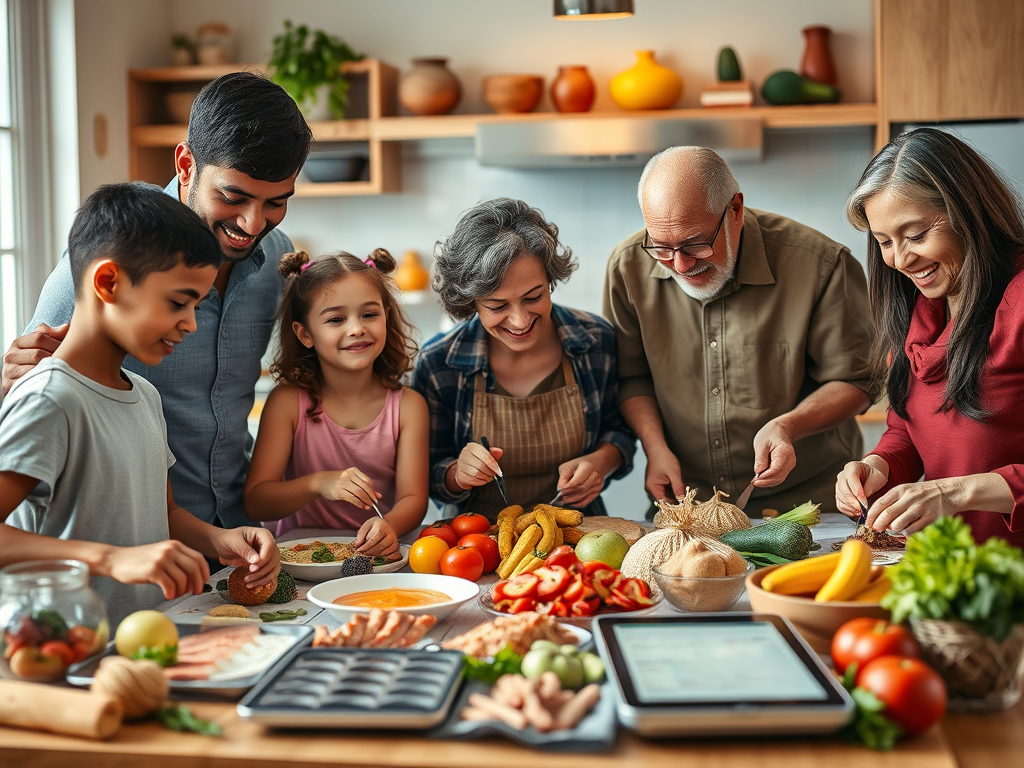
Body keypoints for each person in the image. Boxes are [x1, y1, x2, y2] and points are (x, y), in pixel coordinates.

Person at [1, 72, 312, 530]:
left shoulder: (275, 259)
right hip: (127, 545)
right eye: (233, 196)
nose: (251, 223)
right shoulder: (117, 258)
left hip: (227, 537)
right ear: (186, 164)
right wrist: (9, 383)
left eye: (275, 202)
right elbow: (34, 397)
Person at [0, 183, 279, 624]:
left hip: (144, 641)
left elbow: (163, 513)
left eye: (197, 305)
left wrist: (218, 539)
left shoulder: (145, 395)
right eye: (177, 303)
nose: (190, 323)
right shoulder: (49, 398)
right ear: (108, 283)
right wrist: (110, 559)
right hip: (67, 655)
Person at [604, 146, 876, 515]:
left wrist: (788, 426)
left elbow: (858, 381)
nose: (680, 265)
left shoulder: (821, 265)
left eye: (696, 244)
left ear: (735, 210)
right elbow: (631, 377)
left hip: (810, 503)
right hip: (689, 505)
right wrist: (655, 448)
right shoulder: (627, 267)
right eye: (662, 247)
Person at [835, 128, 1024, 544]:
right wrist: (879, 465)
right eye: (885, 241)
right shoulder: (918, 309)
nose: (900, 260)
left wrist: (952, 491)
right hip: (950, 572)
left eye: (917, 235)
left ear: (968, 214)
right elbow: (908, 428)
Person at [412, 198, 635, 520]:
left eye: (534, 297)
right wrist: (458, 473)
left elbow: (620, 431)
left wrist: (601, 463)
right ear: (470, 302)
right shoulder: (439, 363)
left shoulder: (595, 341)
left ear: (550, 282)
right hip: (476, 545)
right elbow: (427, 473)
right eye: (497, 306)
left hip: (581, 535)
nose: (519, 320)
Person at [244, 250, 429, 555]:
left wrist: (390, 526)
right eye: (336, 319)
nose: (356, 328)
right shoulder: (287, 402)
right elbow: (256, 502)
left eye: (370, 314)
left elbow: (413, 498)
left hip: (378, 559)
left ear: (386, 316)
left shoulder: (409, 406)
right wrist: (320, 483)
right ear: (305, 334)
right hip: (300, 558)